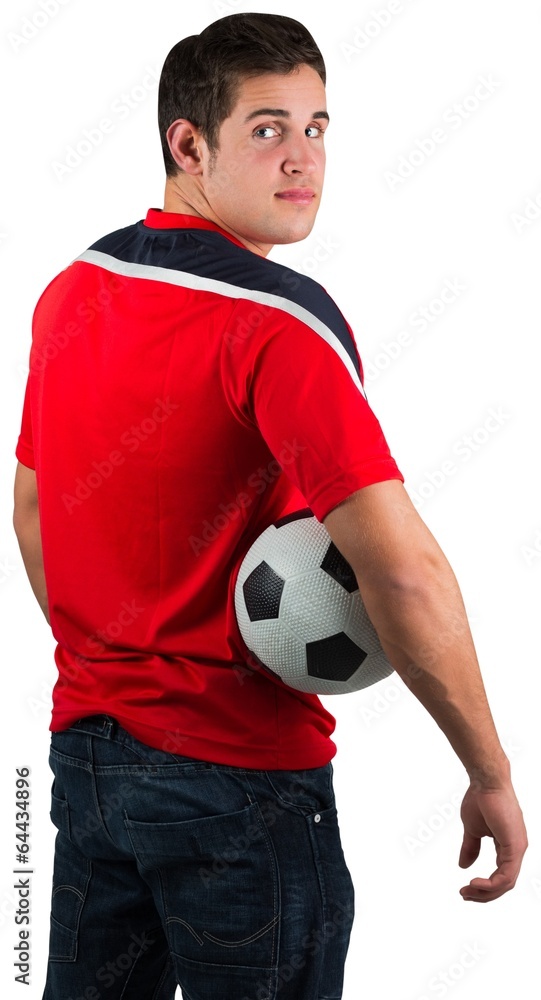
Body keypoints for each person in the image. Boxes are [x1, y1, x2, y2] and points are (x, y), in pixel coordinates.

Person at [13, 12, 527, 1000]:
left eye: (319, 126)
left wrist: (119, 667)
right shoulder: (278, 322)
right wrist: (489, 769)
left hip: (90, 762)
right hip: (240, 789)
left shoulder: (69, 291)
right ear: (186, 144)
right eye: (267, 129)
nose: (304, 160)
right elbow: (402, 569)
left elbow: (34, 508)